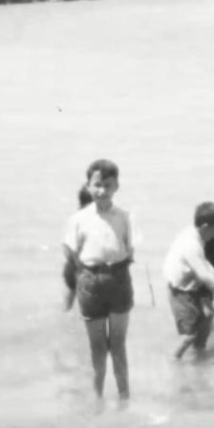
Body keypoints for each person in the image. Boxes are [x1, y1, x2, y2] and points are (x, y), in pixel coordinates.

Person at [62, 159, 135, 400]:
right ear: (88, 186)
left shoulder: (124, 217)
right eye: (97, 185)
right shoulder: (79, 219)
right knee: (97, 348)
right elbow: (72, 253)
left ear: (117, 187)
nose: (102, 191)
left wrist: (115, 270)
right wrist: (86, 276)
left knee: (118, 345)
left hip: (119, 279)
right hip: (90, 282)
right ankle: (98, 398)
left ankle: (124, 397)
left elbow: (129, 249)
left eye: (108, 185)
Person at [164, 202, 214, 359]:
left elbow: (203, 264)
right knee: (189, 336)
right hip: (181, 292)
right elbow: (203, 274)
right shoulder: (191, 244)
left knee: (207, 316)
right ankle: (173, 360)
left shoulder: (195, 235)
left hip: (192, 285)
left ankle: (200, 356)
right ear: (205, 226)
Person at [63, 186, 96, 310]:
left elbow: (66, 245)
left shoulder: (74, 218)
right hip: (82, 266)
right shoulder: (89, 219)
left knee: (71, 295)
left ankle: (66, 316)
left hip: (71, 265)